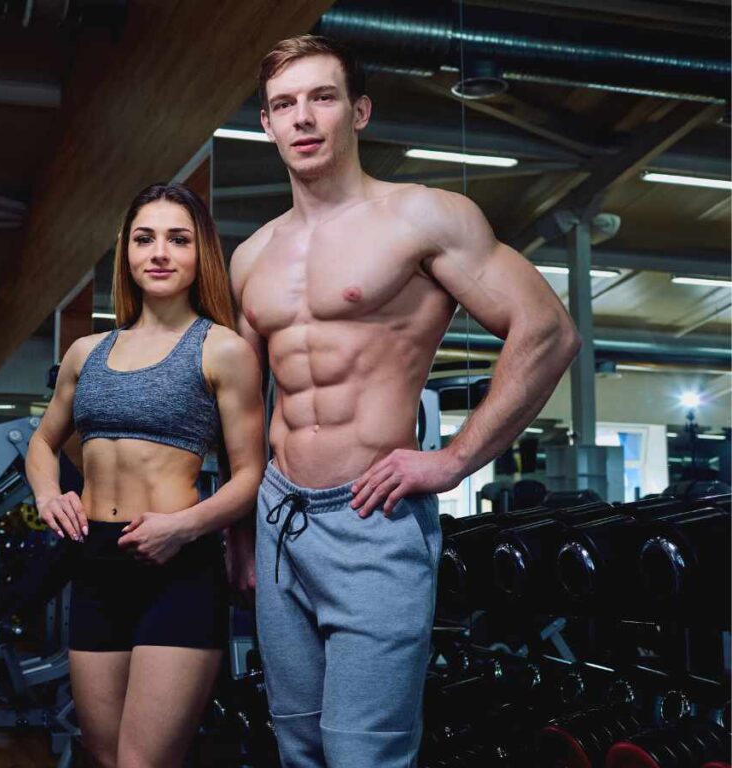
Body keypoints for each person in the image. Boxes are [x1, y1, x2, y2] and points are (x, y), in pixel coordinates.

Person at [226, 35, 581, 767]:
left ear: (358, 111)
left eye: (322, 98)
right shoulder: (252, 255)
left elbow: (547, 330)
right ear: (265, 124)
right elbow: (243, 403)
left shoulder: (423, 217)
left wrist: (454, 461)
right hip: (277, 518)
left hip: (372, 517)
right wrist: (237, 524)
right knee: (297, 744)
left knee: (363, 753)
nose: (303, 118)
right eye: (283, 105)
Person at [26, 182, 265, 768]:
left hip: (175, 566)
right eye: (144, 238)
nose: (159, 252)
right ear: (126, 254)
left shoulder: (222, 349)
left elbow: (250, 474)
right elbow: (42, 441)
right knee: (106, 758)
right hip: (95, 563)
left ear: (198, 254)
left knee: (142, 762)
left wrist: (184, 528)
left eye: (177, 239)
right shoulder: (87, 351)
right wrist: (48, 493)